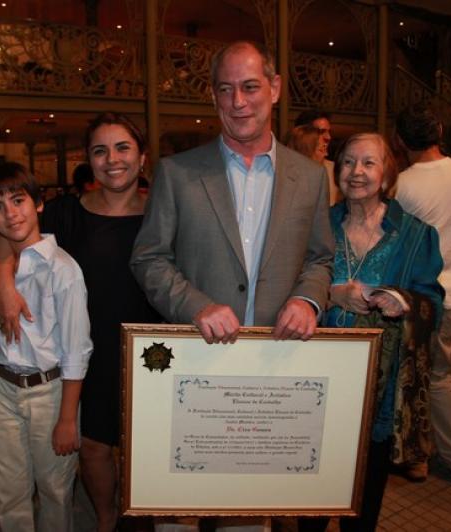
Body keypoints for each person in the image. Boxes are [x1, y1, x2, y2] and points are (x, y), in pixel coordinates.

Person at [130, 40, 334, 532]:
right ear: (214, 96)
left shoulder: (310, 177)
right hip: (192, 374)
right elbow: (148, 258)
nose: (238, 102)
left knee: (246, 515)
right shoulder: (177, 173)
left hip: (269, 376)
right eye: (226, 90)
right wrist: (195, 305)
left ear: (275, 88)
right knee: (177, 510)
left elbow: (320, 258)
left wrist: (307, 299)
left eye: (249, 87)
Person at [0, 112, 161, 532]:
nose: (112, 159)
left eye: (123, 148)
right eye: (100, 150)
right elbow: (6, 236)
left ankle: (140, 519)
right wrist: (5, 286)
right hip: (86, 350)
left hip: (153, 351)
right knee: (92, 446)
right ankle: (106, 519)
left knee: (149, 445)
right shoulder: (64, 213)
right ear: (88, 159)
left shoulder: (164, 214)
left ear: (142, 156)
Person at [298, 133, 444, 532]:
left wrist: (403, 300)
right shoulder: (316, 225)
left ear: (387, 174)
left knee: (366, 490)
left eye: (368, 162)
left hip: (380, 386)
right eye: (347, 162)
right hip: (317, 380)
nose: (356, 172)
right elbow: (287, 286)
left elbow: (433, 301)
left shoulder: (415, 234)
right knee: (311, 484)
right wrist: (331, 294)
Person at [0, 162, 92, 532]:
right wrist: (5, 286)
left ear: (39, 203)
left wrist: (67, 418)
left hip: (50, 391)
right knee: (7, 492)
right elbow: (4, 245)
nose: (10, 214)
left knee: (55, 490)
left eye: (18, 201)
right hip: (2, 386)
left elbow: (77, 350)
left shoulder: (63, 269)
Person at [395, 103, 451, 486]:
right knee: (438, 375)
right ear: (440, 132)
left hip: (419, 297)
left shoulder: (403, 185)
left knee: (421, 379)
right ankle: (449, 460)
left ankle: (446, 458)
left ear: (400, 140)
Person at [294, 110, 341, 204]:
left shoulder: (334, 170)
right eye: (321, 132)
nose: (328, 137)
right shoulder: (285, 168)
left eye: (329, 132)